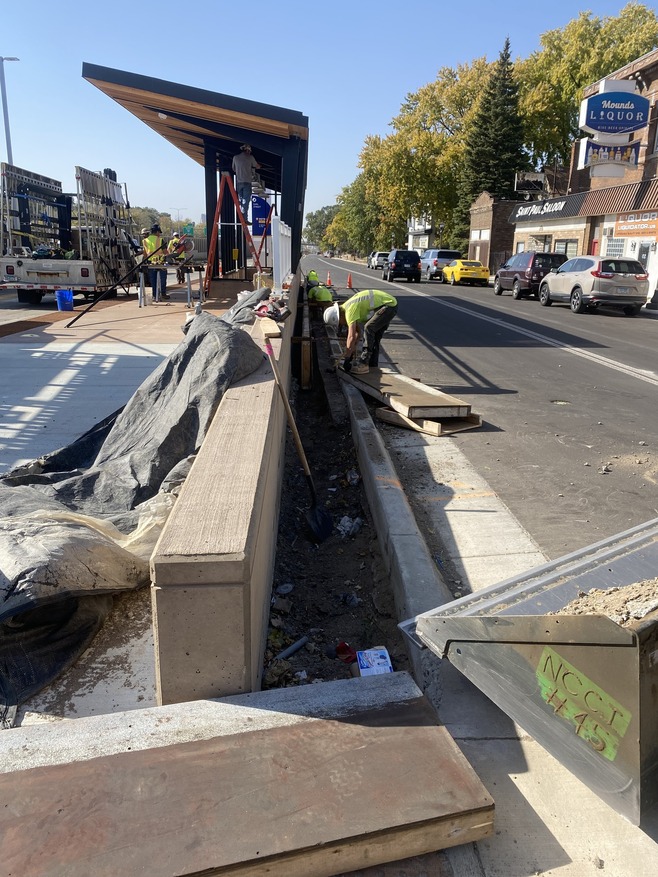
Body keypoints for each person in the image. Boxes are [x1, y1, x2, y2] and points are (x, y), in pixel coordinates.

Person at [323, 289, 398, 375]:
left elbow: (351, 337)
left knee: (369, 327)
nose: (342, 324)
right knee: (375, 337)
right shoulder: (347, 308)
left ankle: (364, 362)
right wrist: (351, 353)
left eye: (340, 323)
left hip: (388, 305)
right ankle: (372, 365)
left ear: (340, 316)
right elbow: (358, 334)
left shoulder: (349, 311)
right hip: (388, 305)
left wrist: (347, 358)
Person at [231, 144, 261, 219]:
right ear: (248, 150)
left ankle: (241, 216)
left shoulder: (235, 157)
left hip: (238, 182)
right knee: (246, 201)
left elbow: (233, 169)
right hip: (247, 182)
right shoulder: (250, 158)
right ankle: (244, 218)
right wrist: (260, 166)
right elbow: (256, 166)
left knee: (241, 200)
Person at [142, 223, 169, 300]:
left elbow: (145, 254)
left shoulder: (145, 241)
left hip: (150, 263)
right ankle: (163, 294)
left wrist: (145, 263)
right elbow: (165, 252)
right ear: (157, 232)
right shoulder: (160, 240)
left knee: (153, 280)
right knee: (162, 278)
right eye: (159, 233)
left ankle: (154, 295)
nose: (159, 234)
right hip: (161, 263)